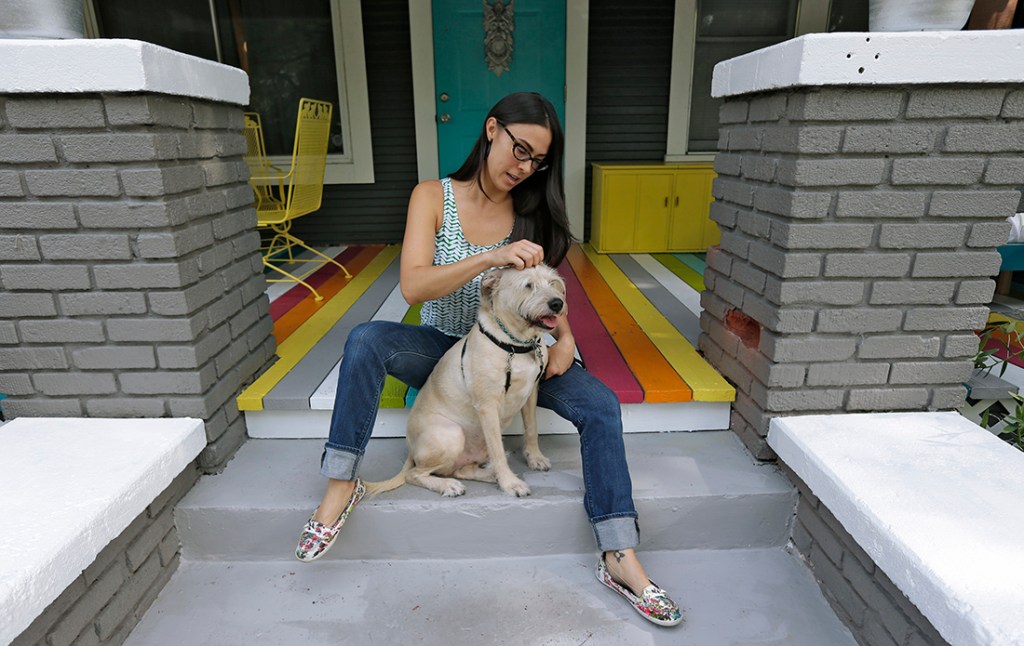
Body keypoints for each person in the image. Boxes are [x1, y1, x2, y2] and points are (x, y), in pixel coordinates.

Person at [294, 92, 682, 627]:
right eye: (519, 150)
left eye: (537, 161)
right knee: (366, 339)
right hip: (447, 352)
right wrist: (491, 256)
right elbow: (412, 286)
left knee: (600, 406)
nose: (524, 168)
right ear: (492, 129)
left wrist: (565, 337)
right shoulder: (432, 196)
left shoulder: (532, 211)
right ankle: (340, 487)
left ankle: (619, 554)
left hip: (523, 351)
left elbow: (545, 292)